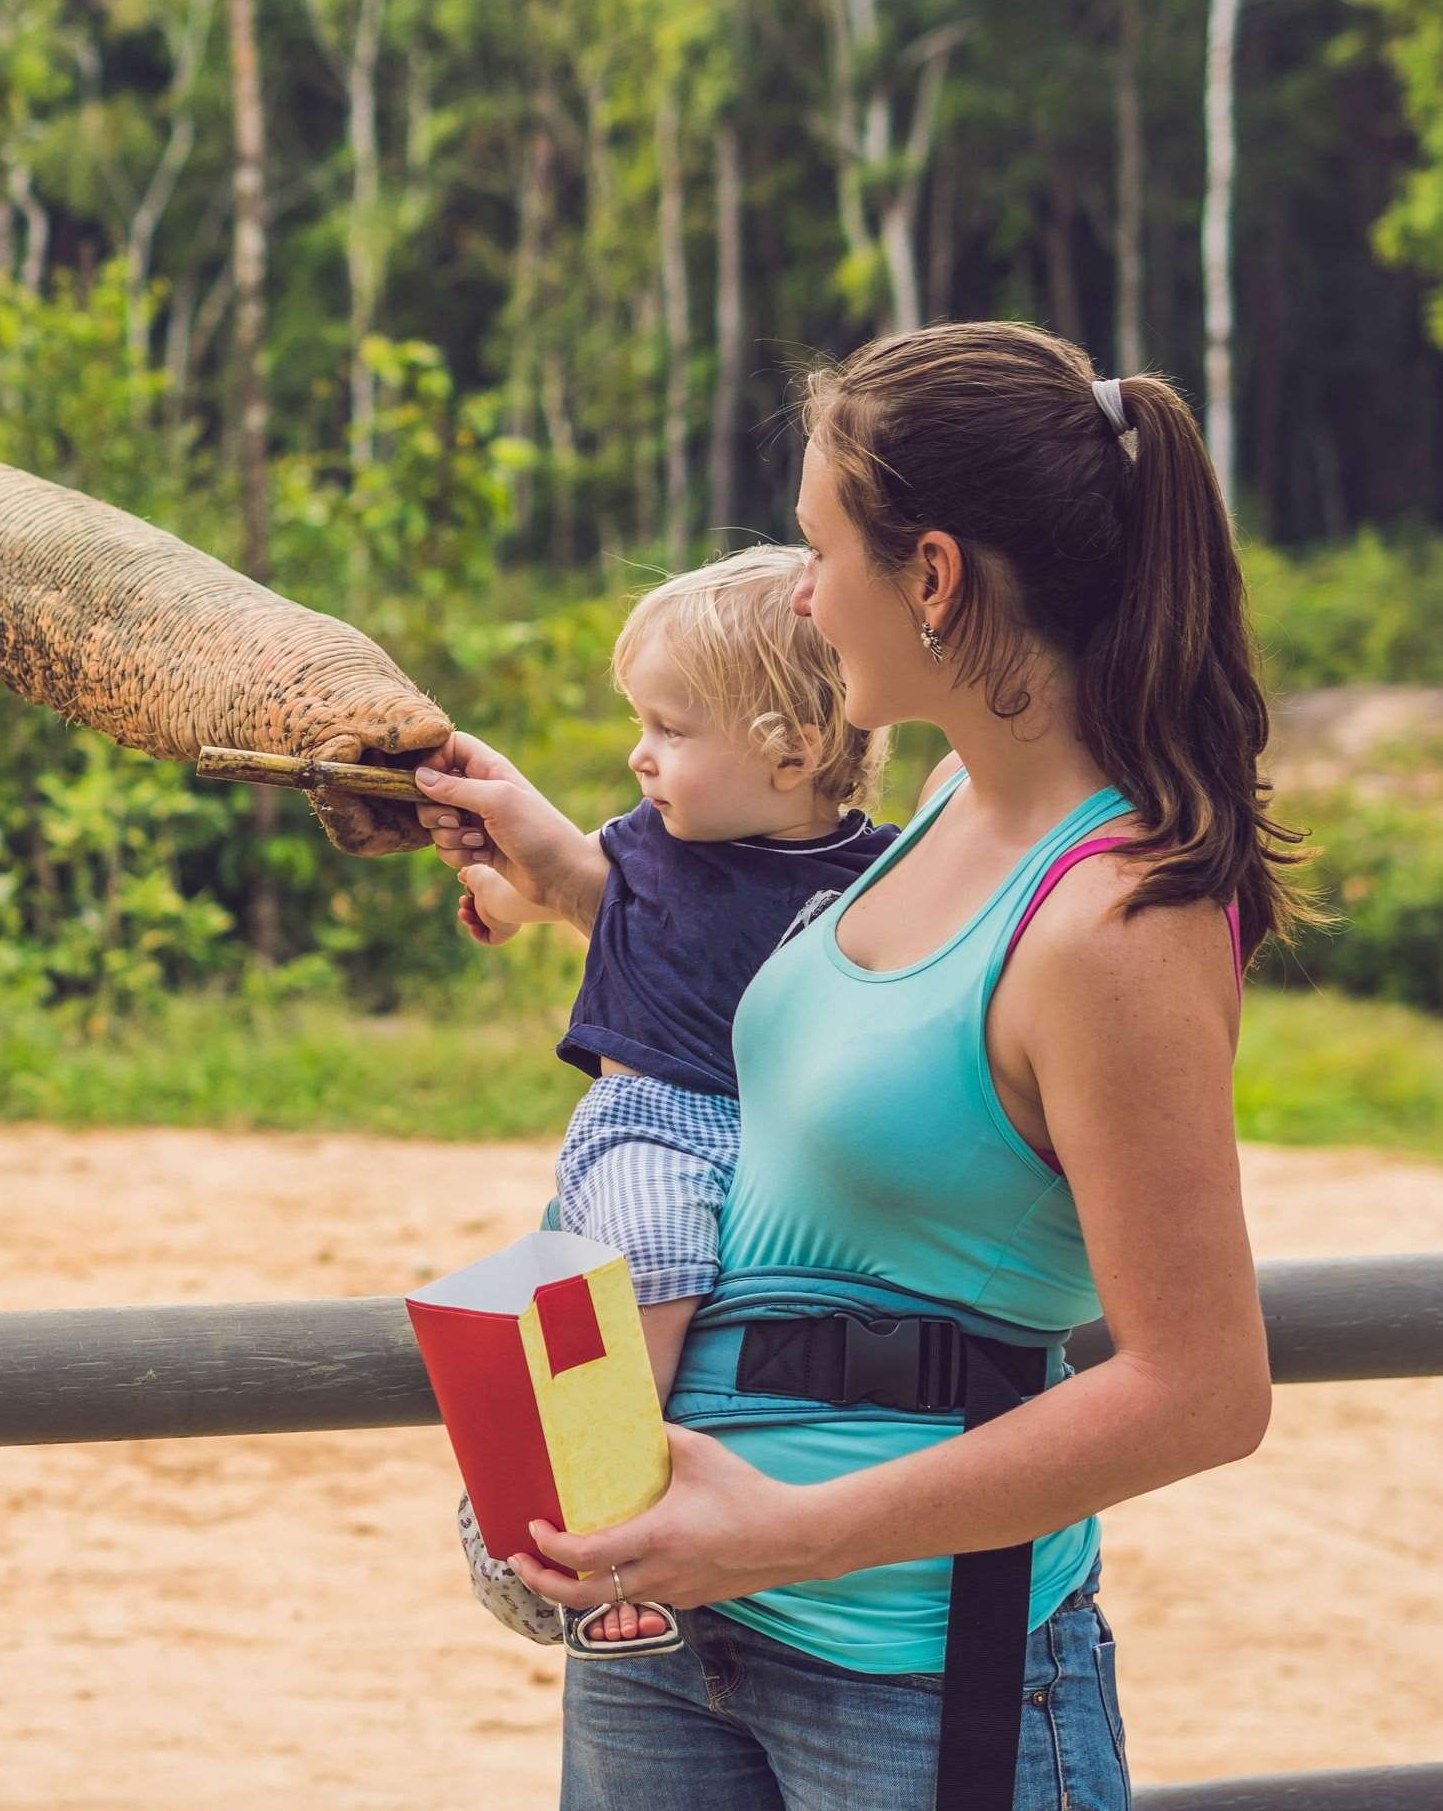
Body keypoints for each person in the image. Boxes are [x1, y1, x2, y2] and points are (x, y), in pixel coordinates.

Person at [414, 321, 1296, 1811]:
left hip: (911, 1666)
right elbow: (833, 1057)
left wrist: (781, 1535)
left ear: (936, 577)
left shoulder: (1114, 917)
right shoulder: (950, 806)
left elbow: (1201, 1387)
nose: (804, 594)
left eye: (822, 549)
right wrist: (566, 876)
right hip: (680, 1628)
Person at [447, 546, 897, 1659]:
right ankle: (593, 1512)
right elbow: (532, 878)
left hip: (782, 1142)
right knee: (646, 1256)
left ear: (789, 749)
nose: (641, 756)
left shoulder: (882, 875)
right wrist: (494, 899)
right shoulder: (645, 847)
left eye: (672, 729)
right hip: (654, 1123)